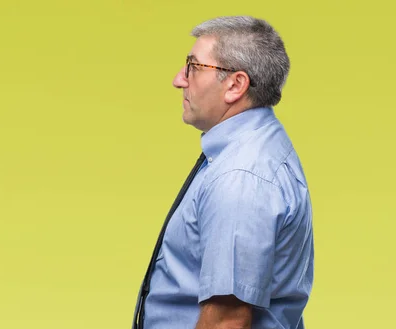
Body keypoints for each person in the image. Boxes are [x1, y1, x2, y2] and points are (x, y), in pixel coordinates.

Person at [131, 16, 314, 329]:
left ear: (235, 85)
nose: (178, 79)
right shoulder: (255, 148)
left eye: (193, 66)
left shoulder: (241, 176)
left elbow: (227, 321)